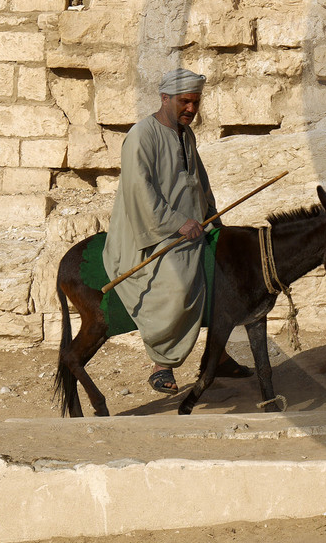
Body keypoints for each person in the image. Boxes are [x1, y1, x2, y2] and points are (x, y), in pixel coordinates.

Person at [102, 67, 247, 393]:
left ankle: (218, 356)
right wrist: (177, 223)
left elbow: (198, 179)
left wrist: (211, 214)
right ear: (164, 98)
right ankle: (161, 364)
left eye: (196, 103)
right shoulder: (142, 135)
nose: (191, 110)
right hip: (151, 234)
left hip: (193, 228)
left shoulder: (186, 134)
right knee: (179, 283)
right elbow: (140, 192)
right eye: (185, 102)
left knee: (229, 270)